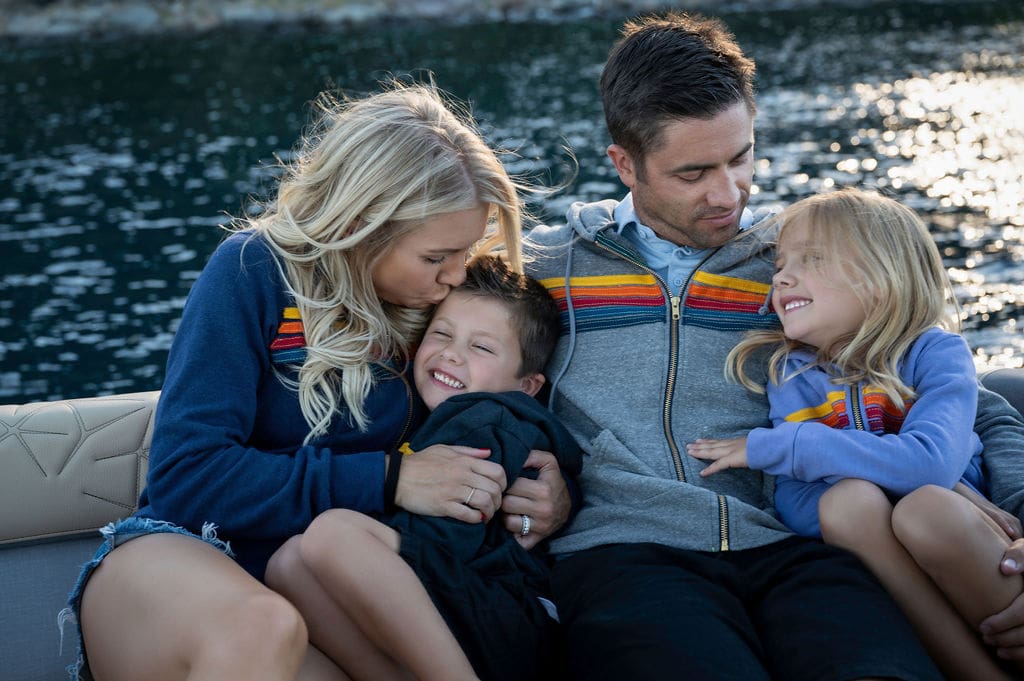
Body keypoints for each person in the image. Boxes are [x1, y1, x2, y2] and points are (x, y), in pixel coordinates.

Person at [522, 11, 1024, 680]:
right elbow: (474, 382)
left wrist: (1019, 514)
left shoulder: (802, 267)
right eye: (694, 172)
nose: (728, 193)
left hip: (801, 543)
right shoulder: (548, 269)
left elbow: (963, 393)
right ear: (625, 165)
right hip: (632, 550)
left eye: (742, 157)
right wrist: (532, 472)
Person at [62, 83, 569, 681]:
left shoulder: (439, 313)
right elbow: (184, 479)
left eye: (465, 252)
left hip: (321, 590)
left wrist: (546, 496)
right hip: (182, 559)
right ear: (363, 226)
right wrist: (387, 478)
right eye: (436, 257)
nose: (456, 275)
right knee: (260, 628)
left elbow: (490, 425)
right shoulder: (253, 271)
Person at [687, 188, 1024, 681]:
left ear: (882, 276)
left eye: (813, 259)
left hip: (958, 542)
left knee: (927, 507)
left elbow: (930, 464)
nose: (781, 276)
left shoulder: (936, 354)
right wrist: (886, 476)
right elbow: (802, 505)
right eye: (781, 263)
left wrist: (794, 447)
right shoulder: (791, 375)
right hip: (886, 556)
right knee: (846, 503)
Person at [269, 255, 581, 681]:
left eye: (482, 347)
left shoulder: (486, 419)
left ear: (526, 386)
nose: (452, 355)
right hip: (466, 610)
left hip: (511, 613)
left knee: (333, 533)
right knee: (287, 564)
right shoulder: (437, 414)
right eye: (442, 334)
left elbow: (455, 534)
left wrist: (374, 519)